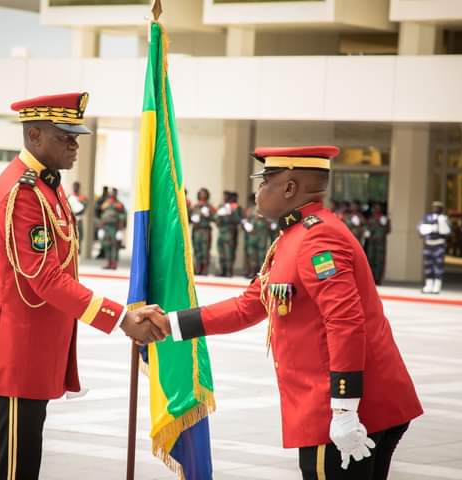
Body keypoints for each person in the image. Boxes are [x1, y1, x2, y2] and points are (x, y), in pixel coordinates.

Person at [144, 146, 422, 480]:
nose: (258, 191)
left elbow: (345, 322)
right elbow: (248, 305)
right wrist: (168, 324)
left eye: (265, 182)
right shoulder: (296, 235)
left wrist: (344, 409)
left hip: (345, 408)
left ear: (289, 188)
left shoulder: (318, 239)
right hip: (352, 404)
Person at [0, 92, 166, 480]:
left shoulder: (47, 185)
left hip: (34, 348)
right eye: (64, 137)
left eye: (76, 136)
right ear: (35, 135)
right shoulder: (23, 193)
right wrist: (120, 318)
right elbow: (46, 278)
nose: (74, 144)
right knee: (16, 467)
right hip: (17, 350)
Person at [418, 201, 451, 294]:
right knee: (428, 265)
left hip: (439, 245)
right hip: (429, 244)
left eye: (438, 207)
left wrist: (440, 224)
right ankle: (428, 285)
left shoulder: (444, 218)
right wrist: (431, 228)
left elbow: (447, 231)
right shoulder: (427, 217)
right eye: (434, 207)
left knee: (438, 266)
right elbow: (421, 229)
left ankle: (437, 286)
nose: (436, 209)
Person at [242, 193, 270, 278]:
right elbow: (245, 219)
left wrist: (264, 218)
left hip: (261, 233)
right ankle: (252, 270)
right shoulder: (250, 209)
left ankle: (262, 271)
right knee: (251, 252)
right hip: (252, 234)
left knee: (261, 253)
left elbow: (269, 220)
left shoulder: (265, 207)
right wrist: (247, 225)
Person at [98, 187, 126, 270]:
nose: (112, 194)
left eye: (114, 192)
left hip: (115, 227)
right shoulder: (106, 203)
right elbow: (102, 214)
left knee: (115, 246)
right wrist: (101, 226)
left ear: (116, 194)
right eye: (112, 192)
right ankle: (108, 262)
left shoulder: (119, 204)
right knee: (106, 245)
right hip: (105, 227)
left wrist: (120, 229)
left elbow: (122, 217)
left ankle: (114, 263)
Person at [215, 190, 242, 277]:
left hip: (230, 232)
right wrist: (219, 215)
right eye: (224, 196)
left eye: (226, 196)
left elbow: (238, 220)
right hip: (221, 232)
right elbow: (216, 219)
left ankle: (229, 271)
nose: (224, 198)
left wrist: (231, 212)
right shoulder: (221, 206)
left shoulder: (235, 207)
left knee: (229, 252)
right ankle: (222, 270)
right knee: (221, 252)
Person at [190, 187, 215, 275]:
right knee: (197, 250)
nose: (202, 195)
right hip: (196, 230)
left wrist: (208, 214)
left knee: (205, 250)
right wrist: (192, 218)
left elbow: (215, 218)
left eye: (204, 194)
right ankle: (198, 268)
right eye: (200, 194)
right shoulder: (195, 206)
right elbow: (189, 218)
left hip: (205, 231)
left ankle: (205, 269)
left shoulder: (209, 207)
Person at [365, 203, 391, 285]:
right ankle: (371, 279)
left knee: (379, 261)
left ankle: (378, 279)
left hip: (380, 243)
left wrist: (383, 224)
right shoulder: (371, 218)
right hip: (372, 243)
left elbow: (388, 230)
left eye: (378, 208)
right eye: (375, 208)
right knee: (370, 260)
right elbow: (367, 228)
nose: (376, 209)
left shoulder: (384, 218)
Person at [67, 181, 88, 254]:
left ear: (79, 188)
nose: (75, 188)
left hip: (78, 221)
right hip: (70, 221)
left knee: (79, 238)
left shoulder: (83, 198)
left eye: (77, 187)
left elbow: (84, 210)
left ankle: (78, 254)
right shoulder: (69, 197)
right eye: (74, 186)